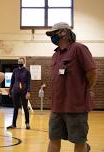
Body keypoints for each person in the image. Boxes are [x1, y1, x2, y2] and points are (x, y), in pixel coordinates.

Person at [46, 22, 97, 152]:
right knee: (53, 138)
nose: (51, 37)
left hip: (76, 107)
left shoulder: (79, 48)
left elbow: (92, 72)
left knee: (79, 141)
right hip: (57, 107)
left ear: (63, 32)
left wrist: (86, 89)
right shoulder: (55, 54)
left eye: (53, 34)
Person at [7, 57, 31, 130]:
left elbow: (29, 82)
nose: (20, 63)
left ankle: (27, 123)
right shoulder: (15, 70)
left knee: (25, 107)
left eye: (21, 62)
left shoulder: (27, 71)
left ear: (24, 62)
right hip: (15, 91)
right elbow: (12, 81)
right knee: (15, 108)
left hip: (24, 91)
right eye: (19, 61)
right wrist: (10, 90)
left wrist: (28, 92)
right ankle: (13, 124)